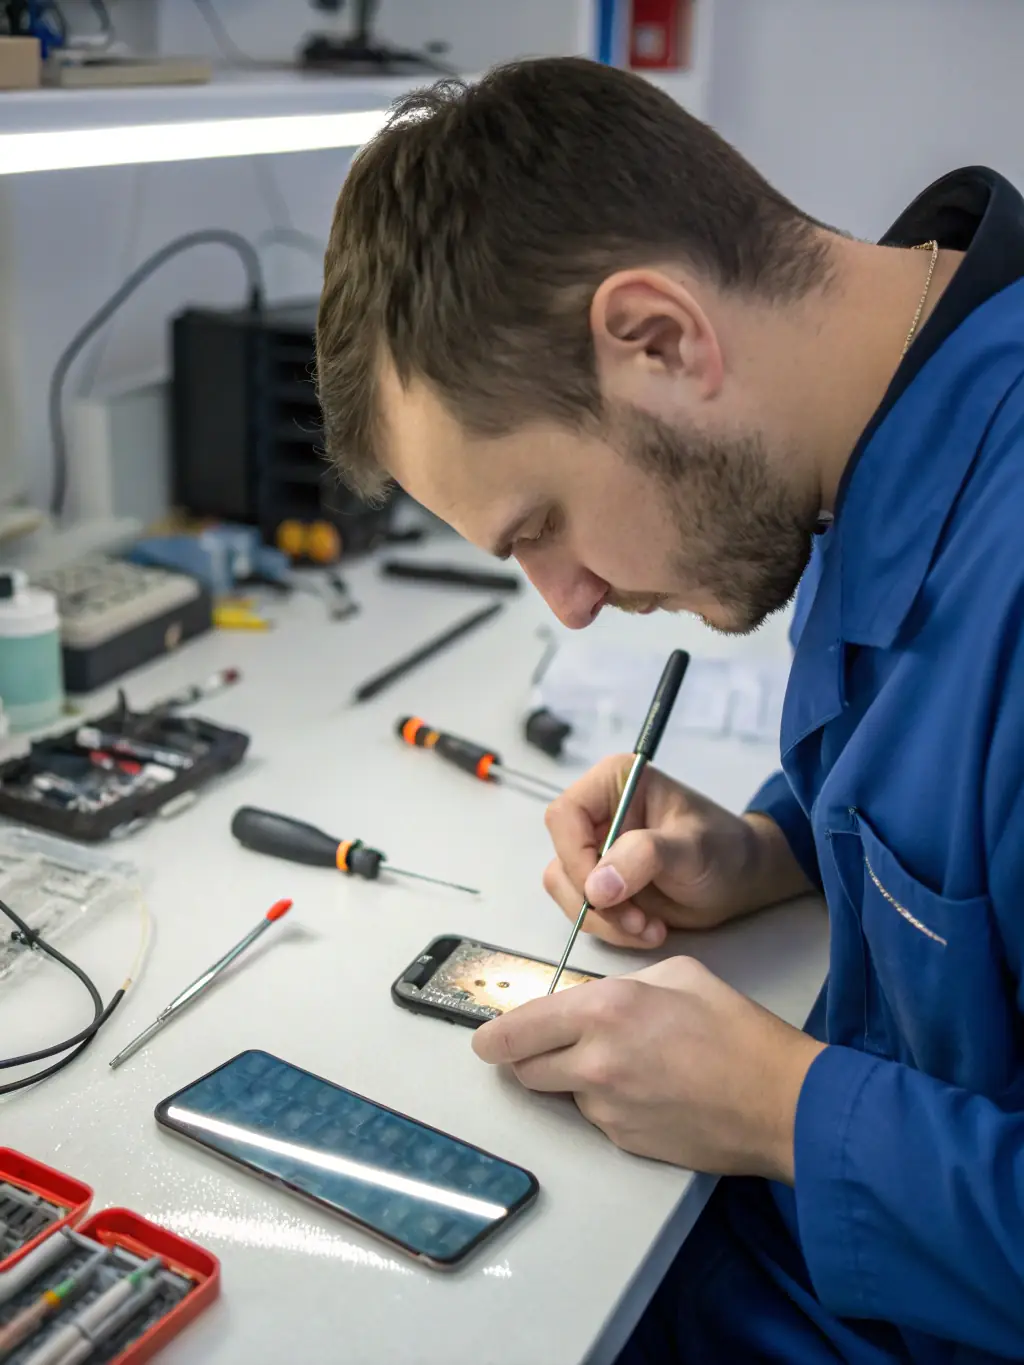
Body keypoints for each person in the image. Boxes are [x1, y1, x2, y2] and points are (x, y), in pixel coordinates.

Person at [315, 56, 1024, 1363]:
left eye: (544, 524)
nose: (569, 605)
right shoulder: (874, 445)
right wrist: (769, 850)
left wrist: (781, 1108)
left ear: (659, 339)